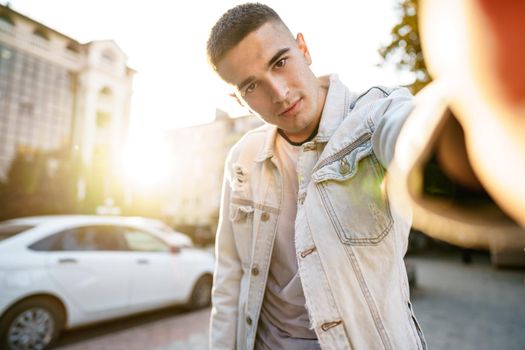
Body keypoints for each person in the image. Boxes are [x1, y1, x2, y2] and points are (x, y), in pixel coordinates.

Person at [206, 3, 426, 349]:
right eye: (252, 86)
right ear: (239, 100)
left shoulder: (373, 117)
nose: (279, 93)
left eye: (280, 62)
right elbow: (229, 280)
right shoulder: (243, 159)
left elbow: (412, 133)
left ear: (304, 48)